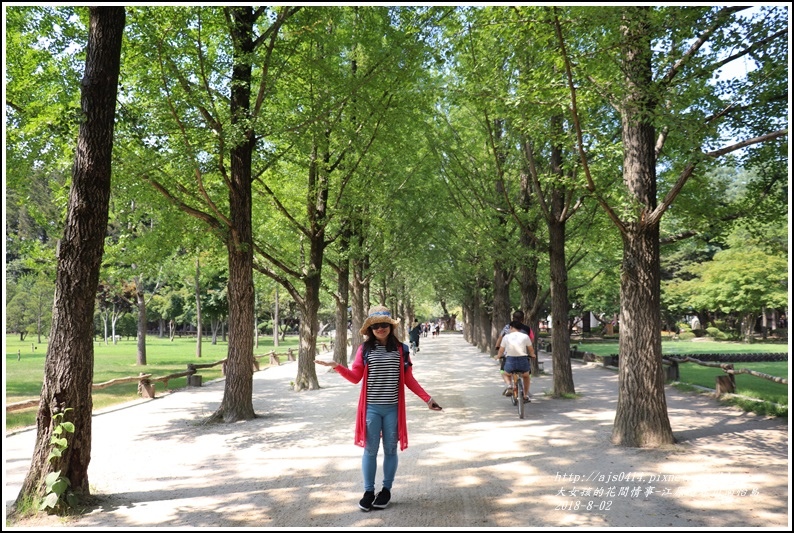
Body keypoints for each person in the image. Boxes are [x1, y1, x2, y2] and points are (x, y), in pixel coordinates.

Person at [315, 305, 442, 512]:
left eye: (384, 325)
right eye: (375, 326)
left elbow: (408, 379)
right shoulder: (364, 349)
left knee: (390, 450)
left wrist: (427, 399)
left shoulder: (402, 350)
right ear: (370, 330)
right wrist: (337, 366)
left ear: (390, 327)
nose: (380, 329)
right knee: (370, 450)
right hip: (372, 409)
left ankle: (386, 490)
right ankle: (368, 492)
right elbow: (356, 378)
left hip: (393, 409)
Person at [494, 310, 534, 396]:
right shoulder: (527, 329)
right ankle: (526, 393)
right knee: (527, 375)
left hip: (509, 357)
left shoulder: (507, 327)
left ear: (513, 318)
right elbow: (531, 341)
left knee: (503, 371)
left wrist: (497, 348)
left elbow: (500, 338)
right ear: (523, 319)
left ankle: (509, 385)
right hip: (523, 356)